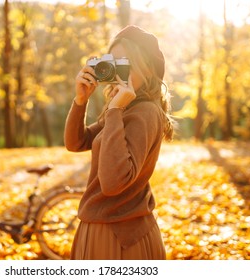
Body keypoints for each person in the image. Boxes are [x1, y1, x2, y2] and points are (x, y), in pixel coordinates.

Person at [64, 25, 174, 260]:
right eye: (112, 62)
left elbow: (113, 183)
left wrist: (114, 110)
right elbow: (76, 142)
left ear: (146, 66)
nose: (116, 71)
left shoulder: (145, 111)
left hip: (119, 238)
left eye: (124, 62)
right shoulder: (124, 108)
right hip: (106, 227)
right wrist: (81, 99)